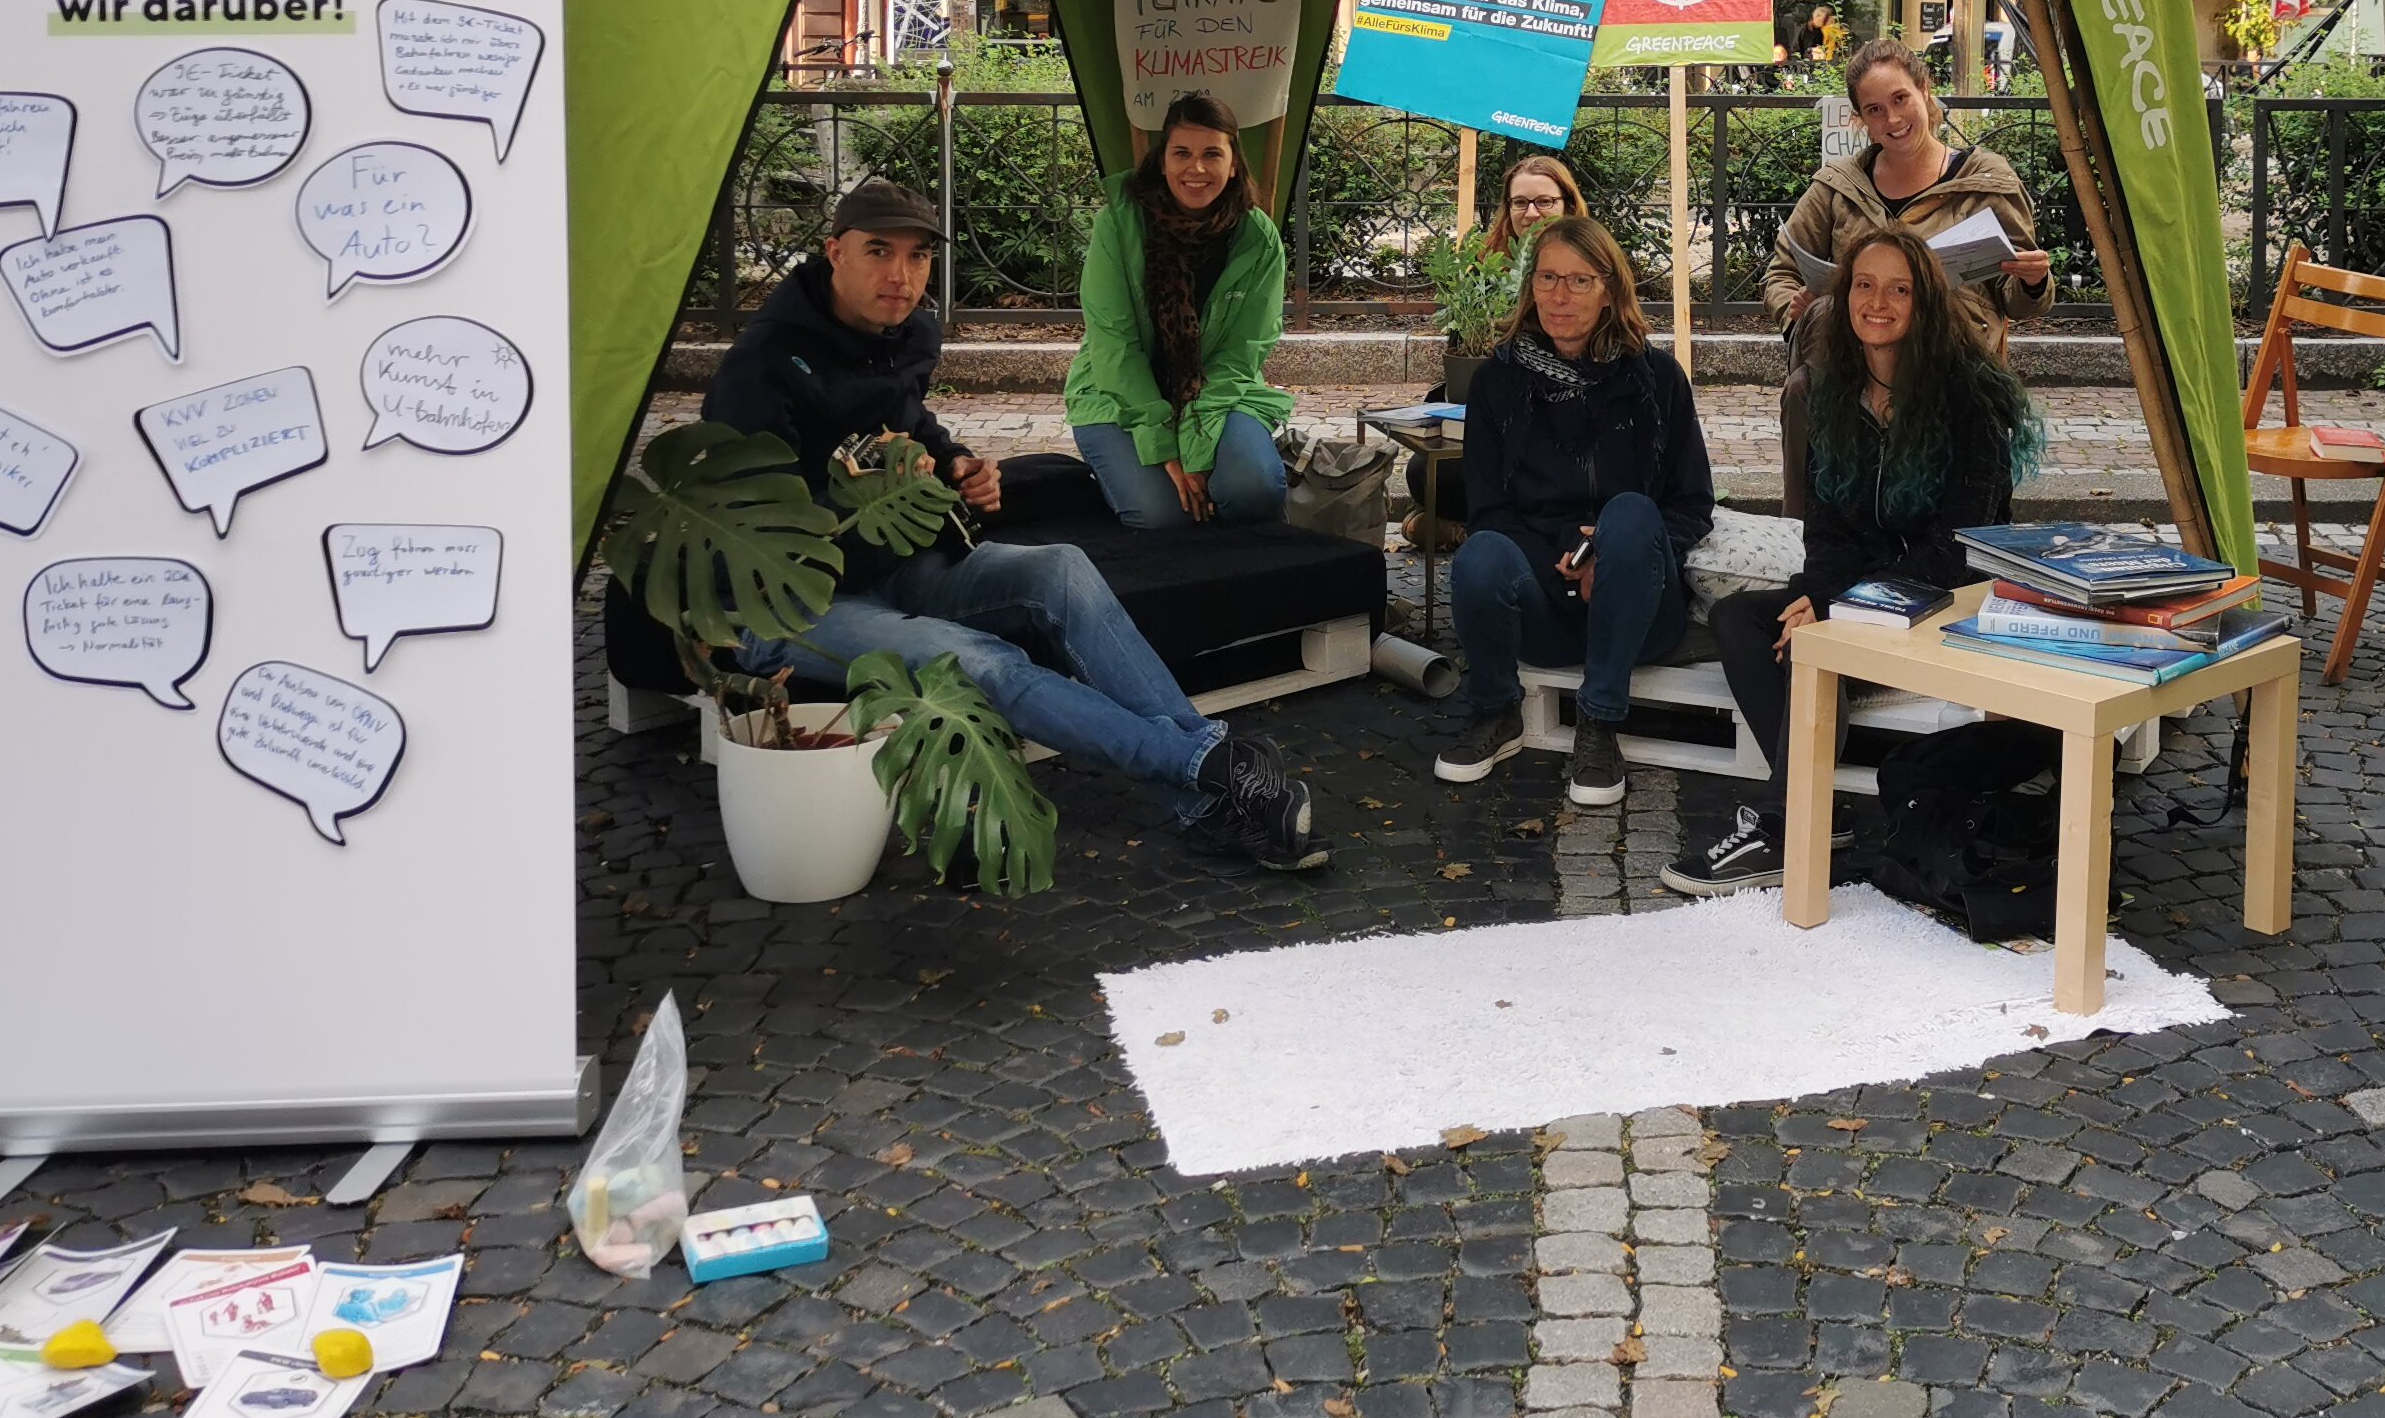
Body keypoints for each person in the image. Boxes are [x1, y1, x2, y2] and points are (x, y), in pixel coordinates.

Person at [703, 176, 1321, 869]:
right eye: (878, 251)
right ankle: (1214, 766)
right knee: (976, 659)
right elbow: (749, 522)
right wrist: (866, 491)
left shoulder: (907, 335)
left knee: (1058, 567)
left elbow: (914, 427)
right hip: (792, 605)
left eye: (917, 257)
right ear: (832, 252)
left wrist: (960, 464)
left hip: (903, 568)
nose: (899, 275)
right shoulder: (761, 364)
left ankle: (1204, 805)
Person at [1667, 224, 2042, 896]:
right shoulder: (1827, 393)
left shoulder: (1969, 397)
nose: (1878, 302)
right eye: (1863, 286)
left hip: (1946, 597)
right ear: (1840, 301)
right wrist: (1817, 592)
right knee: (1739, 618)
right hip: (1862, 593)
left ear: (1925, 304)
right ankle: (1813, 814)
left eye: (1899, 290)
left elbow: (1961, 542)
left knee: (1822, 648)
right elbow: (1828, 525)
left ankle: (1788, 827)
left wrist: (1844, 605)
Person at [1436, 216, 1716, 807]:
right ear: (1528, 286)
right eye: (1547, 279)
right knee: (1480, 554)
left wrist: (1608, 556)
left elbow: (1692, 504)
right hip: (1544, 600)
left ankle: (1600, 722)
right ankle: (1494, 710)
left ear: (1610, 289)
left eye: (1579, 281)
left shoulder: (1658, 379)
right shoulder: (1496, 384)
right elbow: (1489, 508)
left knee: (1632, 512)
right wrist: (1566, 558)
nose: (1559, 297)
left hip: (1641, 603)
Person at [1760, 38, 2052, 516]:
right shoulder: (1838, 187)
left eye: (1900, 100)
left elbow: (2017, 298)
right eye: (1874, 110)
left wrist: (2032, 281)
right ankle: (1807, 536)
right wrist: (1794, 309)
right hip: (1854, 365)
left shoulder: (1984, 181)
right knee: (1801, 390)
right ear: (1860, 119)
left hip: (1952, 363)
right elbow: (1782, 269)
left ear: (1925, 91)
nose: (1892, 120)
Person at [1066, 92, 1293, 529]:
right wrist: (1164, 449)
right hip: (1117, 396)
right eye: (1182, 153)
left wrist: (1197, 447)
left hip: (1219, 390)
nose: (1197, 168)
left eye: (1212, 153)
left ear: (1233, 163)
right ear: (1163, 159)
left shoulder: (1257, 237)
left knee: (1254, 489)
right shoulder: (1120, 222)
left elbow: (1244, 352)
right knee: (1162, 515)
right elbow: (1114, 346)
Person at [1484, 151, 1587, 256]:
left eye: (1544, 201)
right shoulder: (1485, 265)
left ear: (1569, 207)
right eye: (1520, 202)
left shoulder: (1594, 266)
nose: (1531, 214)